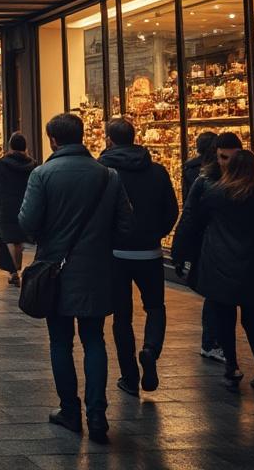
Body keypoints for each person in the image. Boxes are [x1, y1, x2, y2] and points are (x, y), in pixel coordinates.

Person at [18, 113, 132, 446]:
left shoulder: (42, 174)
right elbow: (126, 226)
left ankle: (71, 410)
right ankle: (98, 415)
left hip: (56, 272)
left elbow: (27, 221)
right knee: (94, 340)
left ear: (53, 139)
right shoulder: (108, 176)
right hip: (97, 271)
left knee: (60, 342)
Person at [173, 149, 254, 390]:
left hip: (221, 261)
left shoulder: (216, 192)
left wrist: (181, 253)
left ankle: (232, 366)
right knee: (253, 321)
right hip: (253, 262)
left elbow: (195, 217)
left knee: (225, 319)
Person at [98, 118, 179, 397]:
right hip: (151, 252)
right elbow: (172, 209)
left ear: (109, 139)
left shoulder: (104, 171)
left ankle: (129, 377)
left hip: (116, 253)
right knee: (155, 306)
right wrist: (156, 233)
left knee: (122, 317)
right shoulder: (157, 171)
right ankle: (150, 350)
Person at [181, 131, 222, 362]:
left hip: (202, 236)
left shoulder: (190, 170)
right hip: (215, 238)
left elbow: (188, 210)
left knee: (213, 292)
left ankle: (214, 341)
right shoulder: (217, 177)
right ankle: (214, 342)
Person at [0, 133, 37, 285]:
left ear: (10, 146)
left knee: (7, 238)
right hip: (26, 203)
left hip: (6, 205)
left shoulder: (1, 164)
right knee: (19, 238)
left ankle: (13, 270)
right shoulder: (33, 165)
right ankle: (16, 266)